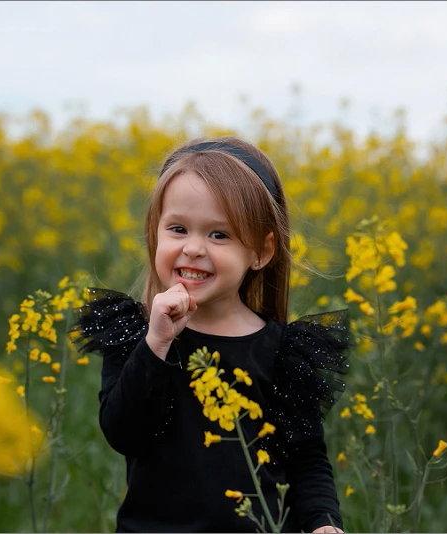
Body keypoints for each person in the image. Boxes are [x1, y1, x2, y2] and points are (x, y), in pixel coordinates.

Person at [70, 136, 351, 533]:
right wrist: (157, 344)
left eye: (219, 235)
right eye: (178, 229)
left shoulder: (283, 351)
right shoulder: (138, 333)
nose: (194, 248)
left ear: (262, 251)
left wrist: (324, 522)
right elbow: (123, 433)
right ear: (155, 234)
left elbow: (306, 458)